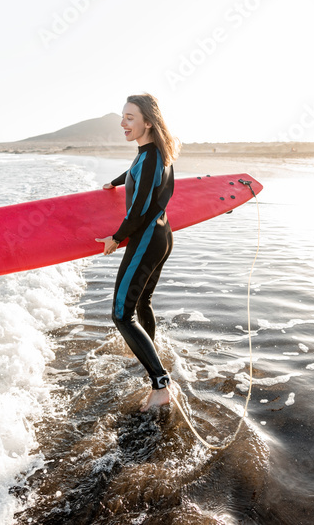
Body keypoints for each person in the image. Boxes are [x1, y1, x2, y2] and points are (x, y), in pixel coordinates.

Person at [95, 94, 181, 412]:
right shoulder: (156, 153)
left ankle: (160, 385)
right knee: (141, 301)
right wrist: (115, 182)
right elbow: (139, 177)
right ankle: (150, 354)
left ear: (148, 121)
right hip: (162, 235)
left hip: (145, 239)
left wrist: (115, 239)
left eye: (130, 118)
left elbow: (139, 210)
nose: (123, 123)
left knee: (121, 313)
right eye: (122, 117)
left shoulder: (151, 157)